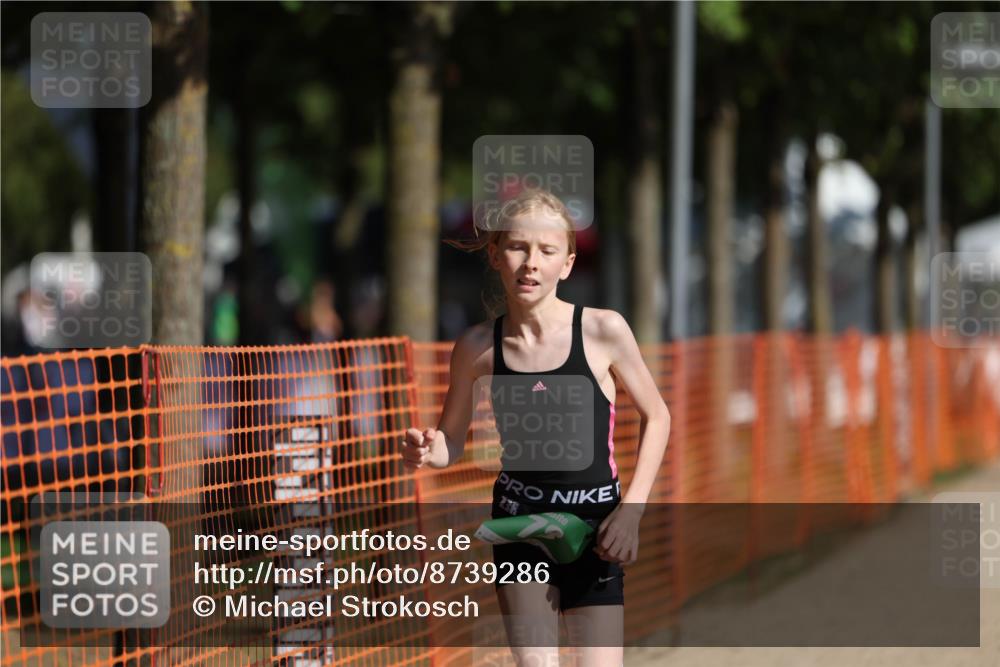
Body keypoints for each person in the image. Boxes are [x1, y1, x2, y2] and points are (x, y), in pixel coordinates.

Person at [400, 189, 671, 666]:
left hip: (595, 528)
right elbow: (452, 441)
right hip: (520, 523)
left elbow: (658, 416)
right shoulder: (478, 347)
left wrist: (632, 512)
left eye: (546, 251)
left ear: (566, 264)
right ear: (495, 255)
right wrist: (429, 449)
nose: (531, 263)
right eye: (518, 248)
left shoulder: (603, 331)